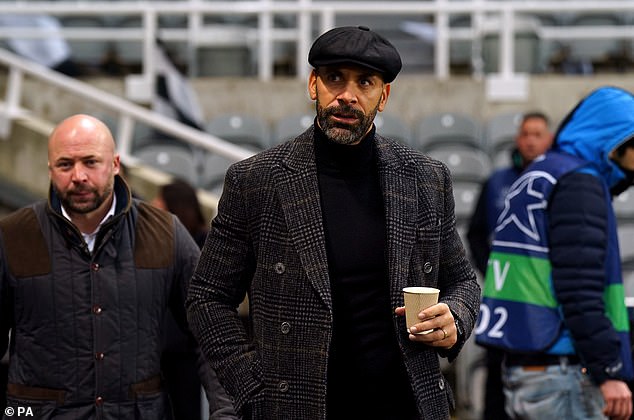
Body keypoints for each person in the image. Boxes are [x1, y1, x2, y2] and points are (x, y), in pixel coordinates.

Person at [186, 25, 481, 420]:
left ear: (384, 95)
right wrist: (254, 387)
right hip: (297, 407)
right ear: (313, 85)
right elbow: (206, 297)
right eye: (334, 78)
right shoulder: (256, 181)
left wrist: (455, 318)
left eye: (365, 82)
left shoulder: (426, 179)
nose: (347, 95)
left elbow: (463, 281)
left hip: (408, 404)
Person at [0, 114, 234, 419]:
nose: (79, 176)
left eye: (90, 162)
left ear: (115, 164)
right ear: (50, 170)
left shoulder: (165, 234)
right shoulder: (13, 237)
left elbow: (211, 332)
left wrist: (227, 412)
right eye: (65, 164)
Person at [475, 86, 634, 420]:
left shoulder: (544, 171)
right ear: (616, 141)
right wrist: (608, 368)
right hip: (564, 375)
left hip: (528, 368)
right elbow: (579, 287)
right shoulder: (580, 182)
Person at [467, 112, 553, 420]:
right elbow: (475, 233)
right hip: (503, 295)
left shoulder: (558, 182)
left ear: (549, 140)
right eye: (525, 134)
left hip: (544, 296)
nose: (530, 140)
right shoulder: (496, 182)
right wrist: (491, 269)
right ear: (518, 139)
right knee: (497, 366)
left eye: (537, 134)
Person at [150, 179, 209, 420]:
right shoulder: (155, 243)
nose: (153, 205)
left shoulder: (205, 243)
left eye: (160, 201)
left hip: (187, 350)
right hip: (158, 353)